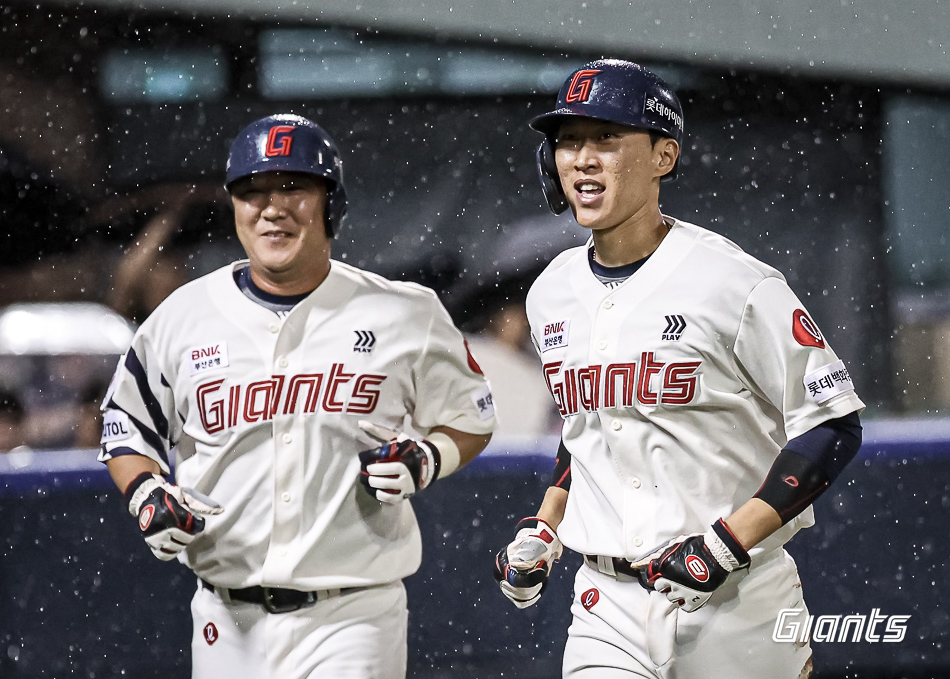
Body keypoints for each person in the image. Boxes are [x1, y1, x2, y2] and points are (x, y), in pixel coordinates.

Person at [492, 60, 864, 679]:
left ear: (664, 156)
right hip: (604, 604)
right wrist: (546, 524)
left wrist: (728, 541)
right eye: (569, 140)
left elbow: (831, 424)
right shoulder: (551, 291)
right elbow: (589, 429)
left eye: (607, 138)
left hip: (738, 601)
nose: (582, 158)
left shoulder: (733, 282)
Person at [98, 114, 496, 679]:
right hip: (224, 617)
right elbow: (124, 424)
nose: (272, 208)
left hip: (353, 612)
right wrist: (144, 491)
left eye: (293, 188)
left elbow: (473, 415)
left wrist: (430, 457)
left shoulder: (405, 311)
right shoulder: (181, 318)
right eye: (253, 192)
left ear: (330, 203)